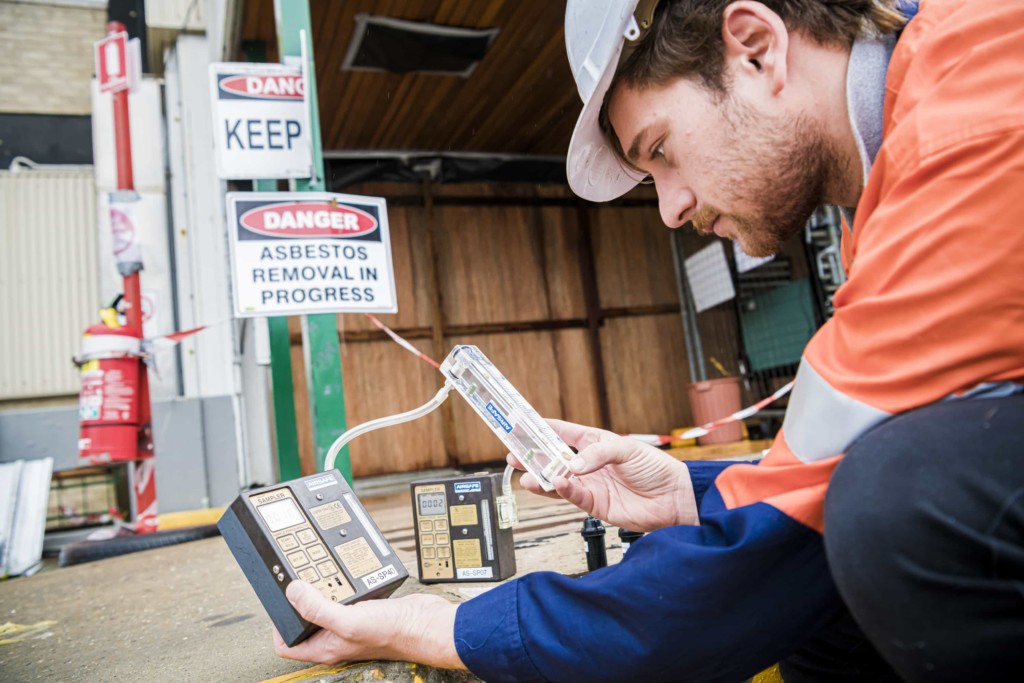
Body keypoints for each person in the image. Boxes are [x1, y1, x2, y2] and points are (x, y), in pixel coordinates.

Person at [273, 0, 1024, 680]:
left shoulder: (971, 124)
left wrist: (442, 627)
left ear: (756, 46)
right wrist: (688, 493)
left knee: (896, 500)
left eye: (660, 150)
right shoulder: (905, 148)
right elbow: (831, 466)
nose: (669, 209)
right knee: (834, 562)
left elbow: (768, 552)